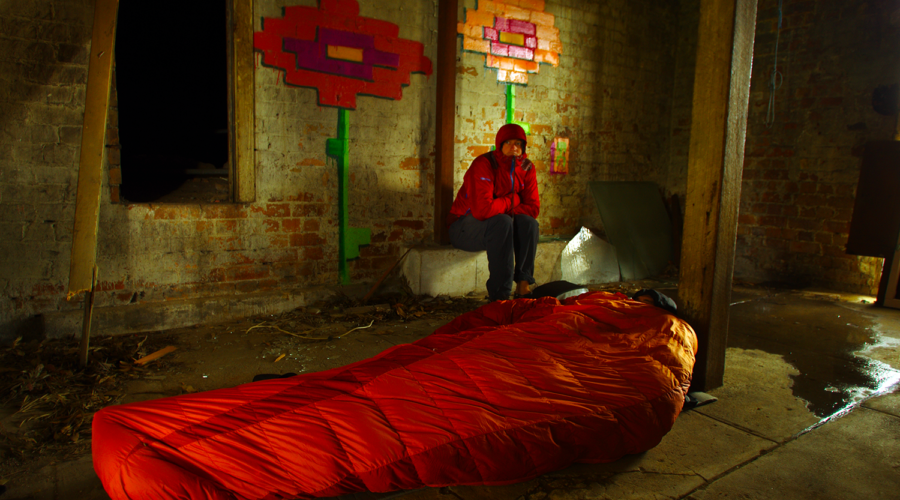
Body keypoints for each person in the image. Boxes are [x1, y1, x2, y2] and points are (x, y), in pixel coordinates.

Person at [447, 123, 540, 301]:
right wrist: (514, 199)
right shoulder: (484, 164)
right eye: (508, 142)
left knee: (529, 223)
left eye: (518, 143)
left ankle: (523, 285)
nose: (514, 147)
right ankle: (500, 296)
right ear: (499, 145)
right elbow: (483, 211)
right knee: (502, 222)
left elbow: (533, 208)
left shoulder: (526, 167)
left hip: (498, 226)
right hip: (463, 227)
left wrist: (506, 205)